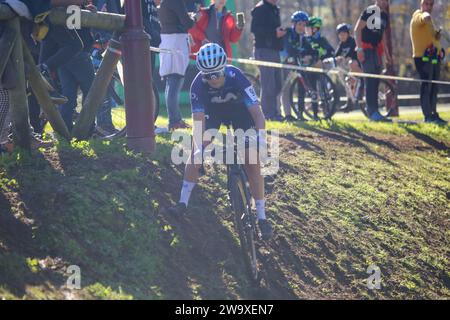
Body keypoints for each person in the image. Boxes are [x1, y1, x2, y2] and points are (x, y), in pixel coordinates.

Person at [167, 43, 273, 240]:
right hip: (213, 115)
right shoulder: (197, 85)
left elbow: (258, 114)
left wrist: (261, 138)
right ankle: (182, 203)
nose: (213, 79)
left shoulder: (237, 77)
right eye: (207, 75)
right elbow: (198, 124)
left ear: (224, 68)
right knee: (194, 152)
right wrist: (199, 148)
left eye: (216, 74)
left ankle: (262, 217)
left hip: (241, 114)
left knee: (252, 161)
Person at [159, 0, 196, 131]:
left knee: (171, 82)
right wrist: (193, 17)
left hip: (169, 40)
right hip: (175, 41)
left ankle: (175, 119)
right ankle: (174, 121)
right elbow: (187, 23)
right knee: (175, 81)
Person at [355, 0, 393, 122]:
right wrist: (359, 49)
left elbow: (381, 37)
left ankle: (375, 112)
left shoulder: (384, 16)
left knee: (376, 81)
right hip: (366, 50)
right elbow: (357, 30)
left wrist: (387, 55)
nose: (384, 2)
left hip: (377, 52)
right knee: (370, 81)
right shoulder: (371, 10)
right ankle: (372, 112)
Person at [410, 0, 447, 124]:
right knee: (426, 85)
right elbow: (424, 17)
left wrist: (436, 37)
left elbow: (432, 37)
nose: (429, 6)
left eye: (431, 4)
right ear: (421, 4)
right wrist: (426, 15)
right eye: (427, 4)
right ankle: (427, 116)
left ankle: (434, 114)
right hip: (422, 58)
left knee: (434, 86)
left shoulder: (429, 21)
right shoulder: (418, 15)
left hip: (434, 57)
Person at [251, 0, 285, 121]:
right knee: (269, 84)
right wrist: (274, 33)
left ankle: (276, 112)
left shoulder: (275, 9)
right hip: (263, 50)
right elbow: (254, 29)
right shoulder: (260, 9)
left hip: (275, 50)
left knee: (277, 84)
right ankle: (268, 115)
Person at [280, 10, 316, 121]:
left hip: (295, 64)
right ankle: (287, 115)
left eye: (304, 25)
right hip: (282, 63)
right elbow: (289, 48)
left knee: (301, 86)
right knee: (285, 88)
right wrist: (302, 54)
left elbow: (311, 50)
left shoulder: (303, 38)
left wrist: (311, 56)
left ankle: (299, 114)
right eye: (299, 24)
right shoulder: (288, 33)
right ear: (294, 24)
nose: (302, 27)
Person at [335, 23, 364, 111]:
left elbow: (353, 54)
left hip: (358, 66)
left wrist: (345, 57)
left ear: (348, 34)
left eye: (344, 34)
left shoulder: (353, 41)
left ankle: (364, 78)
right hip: (352, 70)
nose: (342, 36)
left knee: (352, 62)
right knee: (348, 83)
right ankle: (350, 103)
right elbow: (336, 55)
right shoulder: (341, 44)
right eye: (340, 34)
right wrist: (336, 58)